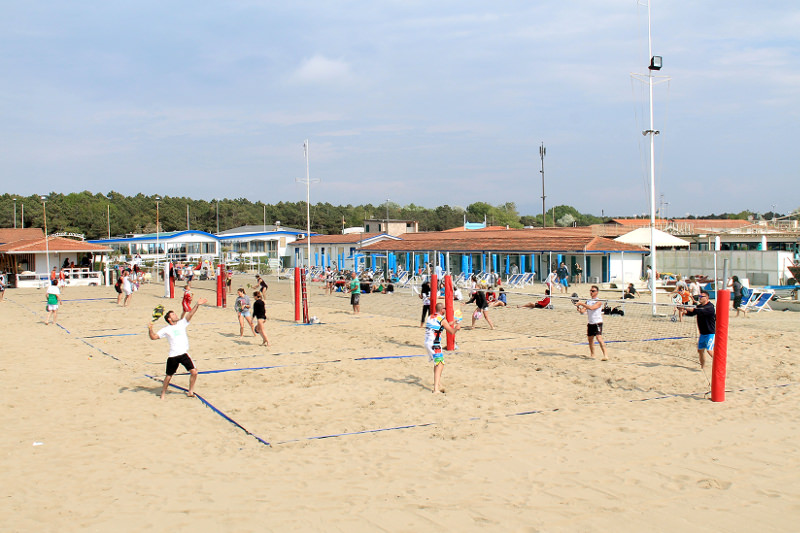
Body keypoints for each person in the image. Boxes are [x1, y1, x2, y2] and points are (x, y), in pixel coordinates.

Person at [148, 297, 209, 399]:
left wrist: (197, 305)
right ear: (169, 319)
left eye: (175, 314)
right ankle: (163, 393)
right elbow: (153, 337)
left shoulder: (181, 323)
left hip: (183, 354)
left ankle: (190, 391)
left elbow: (190, 314)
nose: (176, 315)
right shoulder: (166, 329)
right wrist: (150, 329)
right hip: (173, 356)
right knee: (168, 376)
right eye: (173, 315)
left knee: (194, 372)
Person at [424, 302, 460, 394]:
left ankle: (438, 383)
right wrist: (457, 328)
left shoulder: (431, 317)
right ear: (442, 310)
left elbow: (442, 325)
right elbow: (451, 331)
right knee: (440, 363)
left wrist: (453, 322)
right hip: (434, 344)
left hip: (427, 342)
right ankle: (436, 389)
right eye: (445, 308)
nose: (446, 310)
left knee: (438, 363)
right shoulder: (442, 319)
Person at [682, 290, 715, 369]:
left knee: (709, 350)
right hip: (702, 333)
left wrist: (685, 307)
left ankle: (720, 363)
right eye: (699, 296)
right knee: (700, 351)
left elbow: (697, 311)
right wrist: (683, 311)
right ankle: (702, 367)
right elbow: (692, 313)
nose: (699, 298)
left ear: (706, 298)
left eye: (701, 296)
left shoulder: (710, 307)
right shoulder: (700, 306)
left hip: (710, 333)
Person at [575, 285, 608, 360]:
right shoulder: (588, 301)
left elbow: (592, 308)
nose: (591, 292)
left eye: (593, 291)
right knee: (590, 339)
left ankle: (605, 355)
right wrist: (579, 309)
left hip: (597, 322)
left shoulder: (598, 301)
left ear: (597, 292)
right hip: (590, 323)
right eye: (590, 291)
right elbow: (583, 311)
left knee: (599, 338)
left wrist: (581, 304)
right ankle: (593, 355)